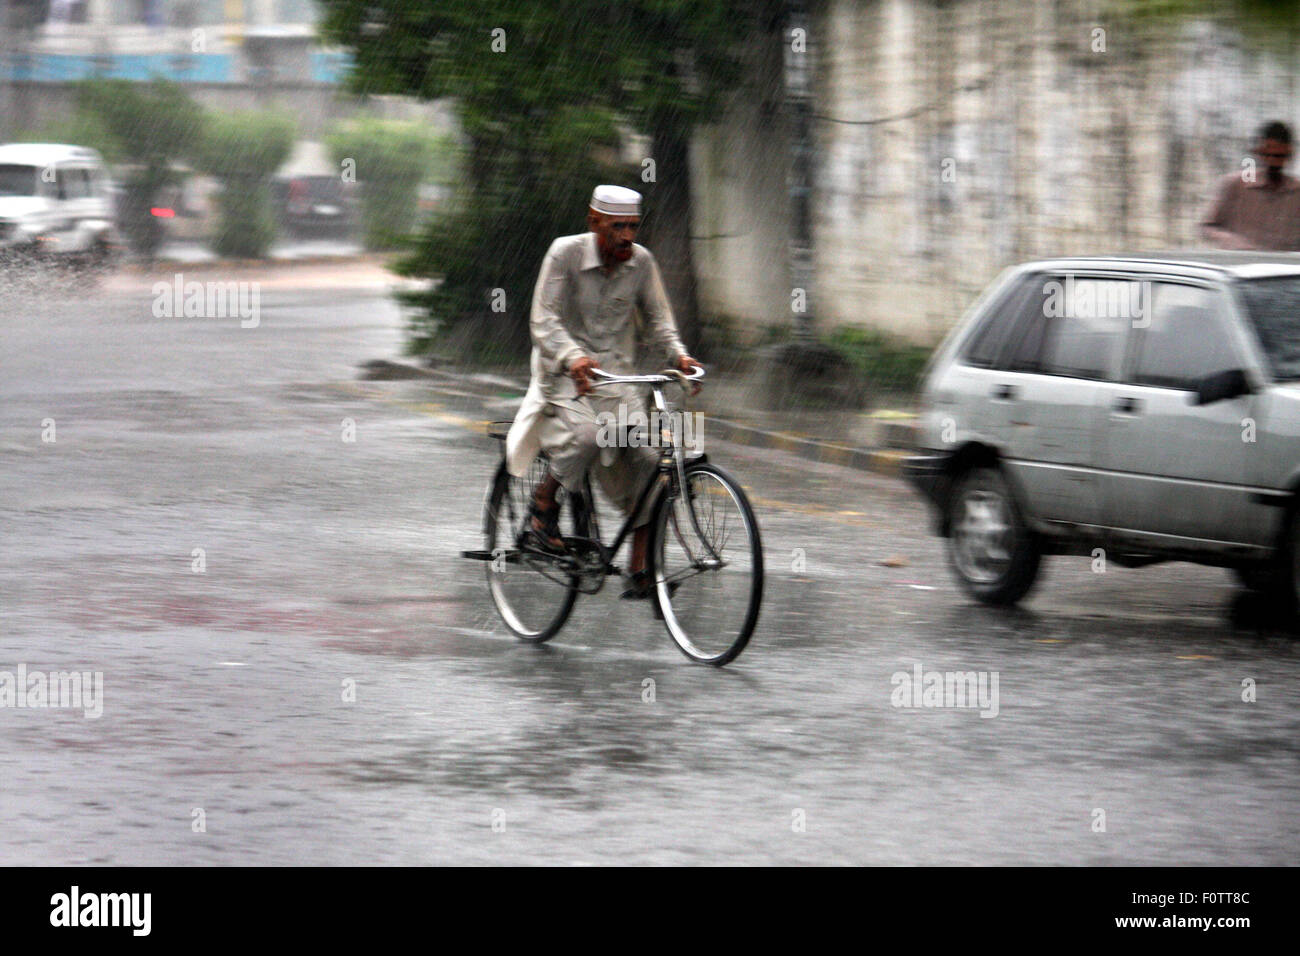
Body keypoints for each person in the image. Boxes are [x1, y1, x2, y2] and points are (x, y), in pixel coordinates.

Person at [506, 185, 701, 598]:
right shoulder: (565, 253)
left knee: (654, 459)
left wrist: (680, 357)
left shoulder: (641, 262)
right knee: (590, 434)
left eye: (633, 226)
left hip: (617, 380)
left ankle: (639, 567)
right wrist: (573, 356)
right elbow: (544, 319)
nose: (627, 236)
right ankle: (543, 508)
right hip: (563, 373)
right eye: (617, 227)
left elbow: (659, 319)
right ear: (594, 222)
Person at [1200, 120, 1300, 250]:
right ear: (1259, 153)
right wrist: (1231, 241)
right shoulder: (1235, 184)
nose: (1272, 161)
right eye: (1268, 155)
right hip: (1240, 265)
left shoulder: (1296, 192)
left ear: (1289, 155)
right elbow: (1207, 226)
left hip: (1281, 268)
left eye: (1278, 156)